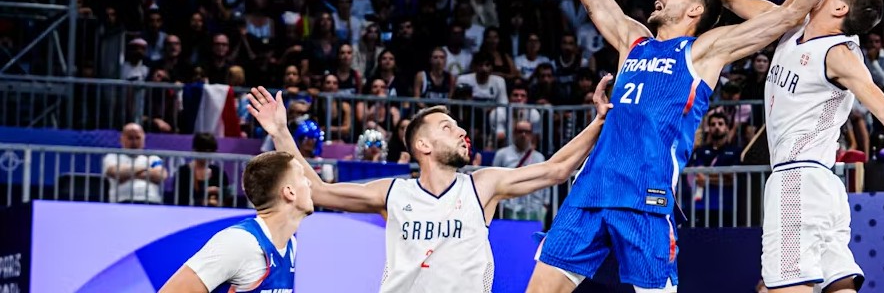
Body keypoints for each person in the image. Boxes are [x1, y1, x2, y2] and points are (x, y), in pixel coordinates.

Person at [528, 0, 854, 293]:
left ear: (696, 10)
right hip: (590, 190)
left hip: (645, 200)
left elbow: (788, 14)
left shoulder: (704, 51)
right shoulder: (634, 40)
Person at [651, 0, 884, 293]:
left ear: (840, 7)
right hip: (824, 184)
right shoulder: (792, 24)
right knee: (838, 285)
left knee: (785, 286)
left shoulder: (839, 53)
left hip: (797, 178)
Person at [246, 75, 613, 293]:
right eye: (447, 128)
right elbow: (319, 191)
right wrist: (280, 132)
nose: (462, 131)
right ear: (422, 145)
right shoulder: (392, 192)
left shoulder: (482, 186)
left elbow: (555, 169)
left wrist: (598, 121)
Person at [159, 151, 314, 293]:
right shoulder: (240, 243)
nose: (310, 183)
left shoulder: (290, 244)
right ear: (289, 192)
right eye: (302, 176)